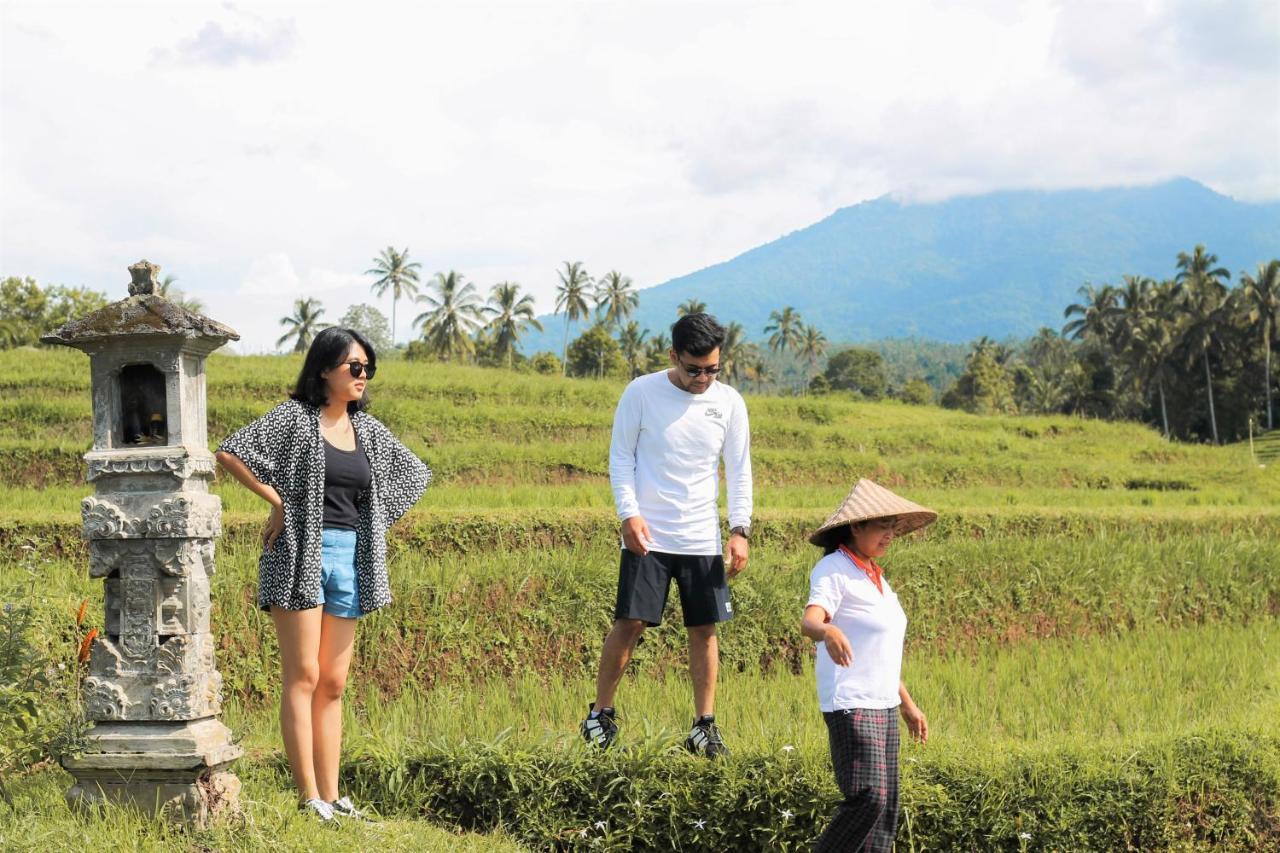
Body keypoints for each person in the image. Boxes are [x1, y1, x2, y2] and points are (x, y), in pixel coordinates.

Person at [215, 327, 431, 823]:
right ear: (324, 371)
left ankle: (334, 797)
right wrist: (279, 503)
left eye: (367, 368)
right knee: (304, 675)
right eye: (354, 367)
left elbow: (415, 474)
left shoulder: (368, 431)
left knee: (333, 682)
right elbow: (229, 452)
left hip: (351, 556)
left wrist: (374, 520)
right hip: (299, 553)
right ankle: (308, 796)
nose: (363, 376)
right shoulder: (295, 419)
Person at [581, 312, 753, 758]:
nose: (702, 378)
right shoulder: (641, 392)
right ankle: (600, 715)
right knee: (631, 622)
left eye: (712, 369)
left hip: (701, 537)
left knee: (704, 628)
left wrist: (739, 530)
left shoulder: (730, 402)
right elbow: (620, 458)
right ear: (673, 355)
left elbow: (738, 469)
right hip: (648, 535)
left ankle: (703, 726)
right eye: (693, 368)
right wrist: (628, 515)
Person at [801, 478, 935, 853]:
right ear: (856, 526)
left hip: (883, 704)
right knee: (869, 797)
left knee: (885, 814)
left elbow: (882, 653)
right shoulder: (834, 569)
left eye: (894, 526)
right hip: (851, 702)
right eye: (883, 526)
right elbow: (809, 621)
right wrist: (827, 631)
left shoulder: (877, 578)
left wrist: (907, 705)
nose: (890, 534)